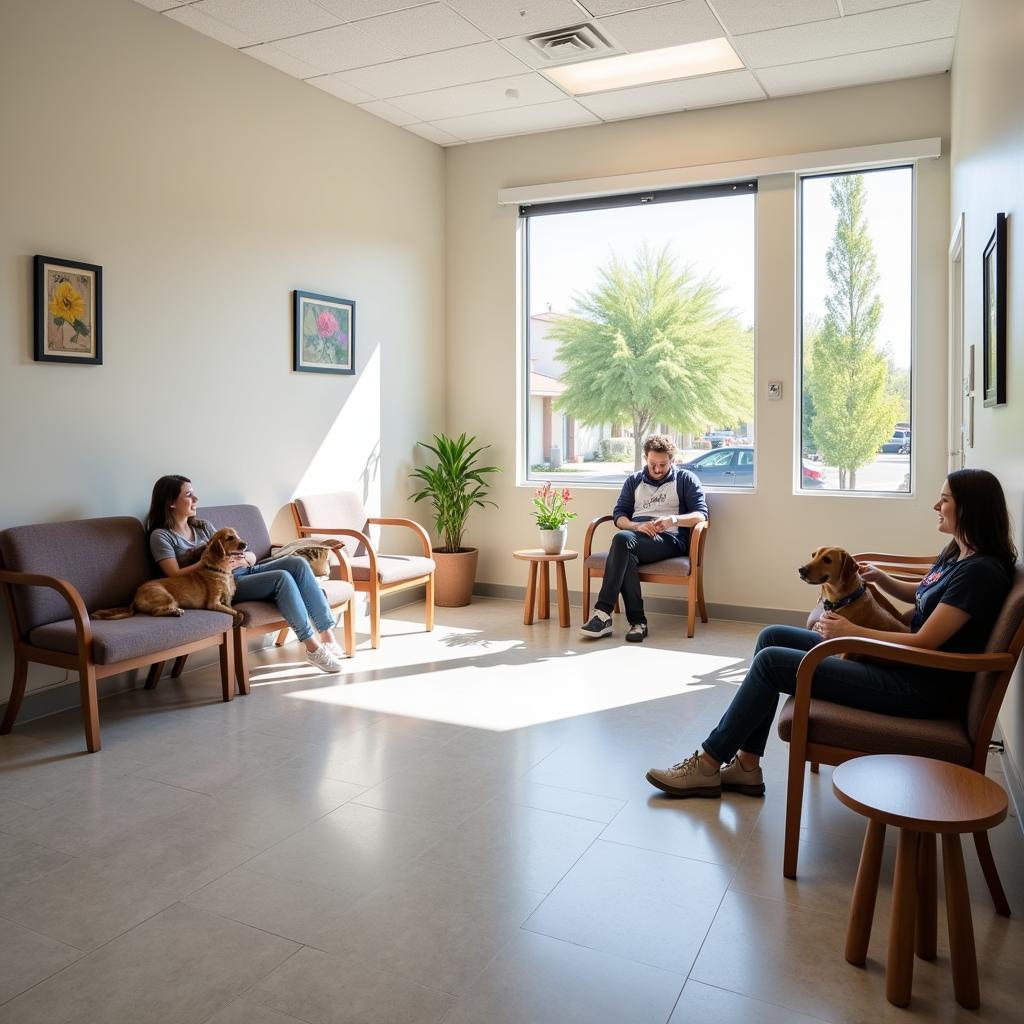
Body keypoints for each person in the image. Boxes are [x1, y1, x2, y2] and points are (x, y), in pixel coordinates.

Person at [646, 469, 1017, 798]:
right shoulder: (959, 554)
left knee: (772, 663)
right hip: (900, 664)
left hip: (916, 685)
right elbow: (924, 598)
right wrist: (884, 580)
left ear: (970, 508)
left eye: (945, 499)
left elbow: (925, 641)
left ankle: (708, 764)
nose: (936, 505)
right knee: (772, 636)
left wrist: (853, 630)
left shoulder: (980, 572)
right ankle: (746, 765)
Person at [145, 475, 345, 674]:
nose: (196, 499)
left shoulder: (203, 526)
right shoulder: (161, 536)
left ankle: (327, 637)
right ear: (171, 502)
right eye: (189, 495)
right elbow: (174, 574)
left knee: (298, 563)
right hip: (224, 583)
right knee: (281, 578)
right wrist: (211, 562)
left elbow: (244, 552)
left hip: (245, 568)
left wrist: (245, 558)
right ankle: (313, 648)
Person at [580, 435, 708, 643]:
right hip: (635, 537)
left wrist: (672, 520)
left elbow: (701, 515)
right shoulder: (634, 480)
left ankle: (602, 614)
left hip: (670, 540)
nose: (657, 469)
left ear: (672, 460)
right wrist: (636, 525)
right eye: (652, 464)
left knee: (621, 541)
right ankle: (638, 623)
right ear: (645, 458)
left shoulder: (685, 479)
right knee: (625, 550)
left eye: (663, 464)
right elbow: (619, 515)